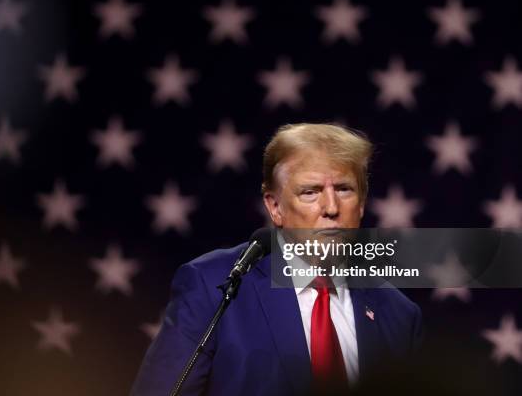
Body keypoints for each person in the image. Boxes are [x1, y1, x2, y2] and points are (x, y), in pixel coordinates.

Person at [131, 123, 423, 395]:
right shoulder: (215, 288)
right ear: (275, 207)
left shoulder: (398, 314)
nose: (331, 208)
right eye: (310, 192)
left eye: (344, 189)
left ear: (361, 204)